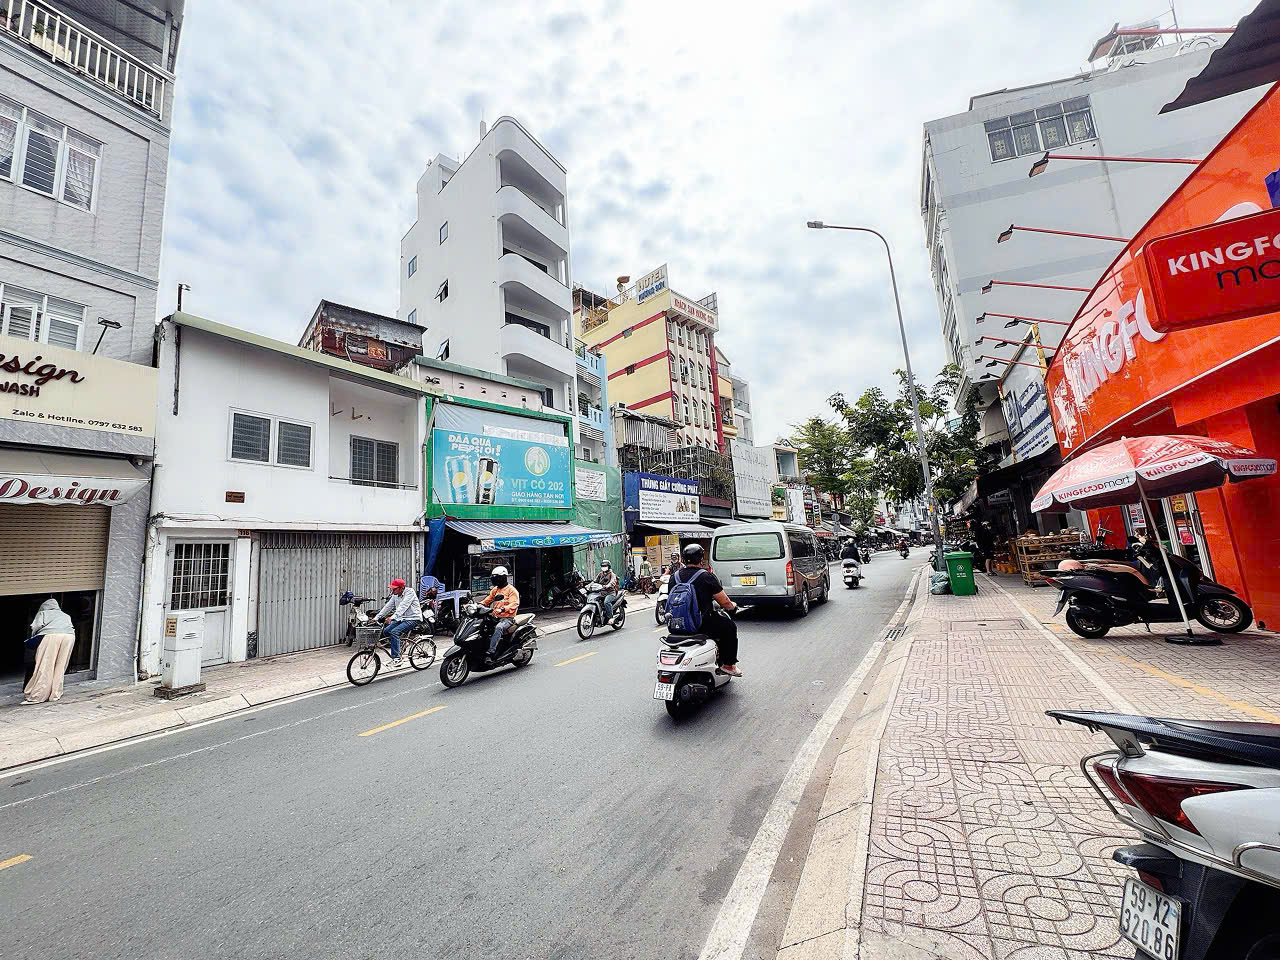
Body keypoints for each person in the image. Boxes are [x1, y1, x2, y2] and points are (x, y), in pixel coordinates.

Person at [669, 543, 742, 677]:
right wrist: (732, 607)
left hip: (676, 625)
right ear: (701, 559)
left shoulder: (674, 577)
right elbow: (724, 602)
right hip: (701, 624)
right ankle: (728, 665)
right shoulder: (706, 576)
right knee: (729, 627)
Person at [22, 598, 76, 704]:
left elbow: (36, 627)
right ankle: (55, 693)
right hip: (69, 637)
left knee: (45, 665)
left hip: (51, 636)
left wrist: (34, 638)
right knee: (60, 666)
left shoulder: (43, 613)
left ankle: (38, 695)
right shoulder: (65, 615)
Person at [375, 577, 423, 667]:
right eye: (392, 589)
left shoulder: (410, 592)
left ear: (401, 588)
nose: (392, 591)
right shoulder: (395, 595)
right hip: (401, 618)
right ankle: (401, 645)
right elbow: (388, 607)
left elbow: (403, 606)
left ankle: (397, 659)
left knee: (394, 632)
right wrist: (376, 617)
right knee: (386, 631)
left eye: (394, 589)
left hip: (413, 618)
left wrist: (392, 617)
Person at [481, 565, 520, 663]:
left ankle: (491, 652)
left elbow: (514, 604)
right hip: (495, 616)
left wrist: (503, 609)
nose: (495, 580)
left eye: (496, 578)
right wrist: (476, 605)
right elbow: (487, 600)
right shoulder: (495, 590)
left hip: (507, 618)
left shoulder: (511, 590)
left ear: (503, 577)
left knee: (499, 628)